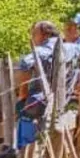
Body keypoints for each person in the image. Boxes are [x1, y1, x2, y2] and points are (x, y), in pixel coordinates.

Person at [15, 20, 60, 149]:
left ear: (45, 35)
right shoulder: (69, 47)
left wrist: (22, 95)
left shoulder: (43, 50)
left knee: (25, 113)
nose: (32, 38)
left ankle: (24, 150)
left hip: (41, 101)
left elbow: (25, 63)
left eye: (34, 34)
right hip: (64, 100)